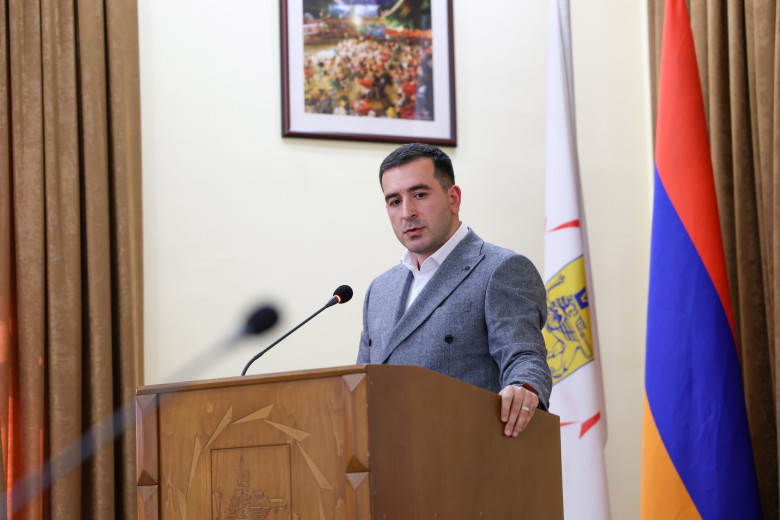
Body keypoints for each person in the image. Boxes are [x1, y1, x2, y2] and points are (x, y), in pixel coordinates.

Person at [357, 143, 551, 437]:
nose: (407, 212)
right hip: (388, 453)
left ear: (453, 198)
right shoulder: (380, 289)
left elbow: (524, 356)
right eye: (394, 201)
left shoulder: (500, 269)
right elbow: (359, 385)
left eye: (420, 195)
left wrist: (524, 386)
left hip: (466, 451)